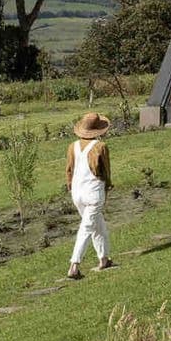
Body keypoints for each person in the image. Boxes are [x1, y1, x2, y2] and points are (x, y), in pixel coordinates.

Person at [66, 111, 114, 280]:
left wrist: (70, 186)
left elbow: (69, 170)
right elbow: (106, 171)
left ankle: (104, 259)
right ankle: (74, 265)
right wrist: (108, 186)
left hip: (77, 192)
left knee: (96, 224)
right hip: (93, 192)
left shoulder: (73, 146)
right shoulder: (100, 147)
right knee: (87, 227)